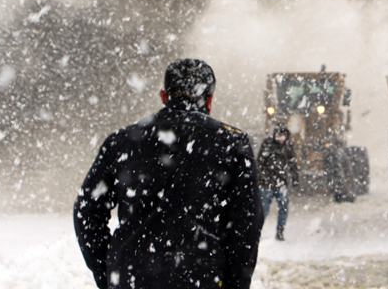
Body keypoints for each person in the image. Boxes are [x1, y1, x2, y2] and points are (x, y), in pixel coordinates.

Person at [74, 59, 263, 289]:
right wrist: (235, 282)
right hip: (202, 278)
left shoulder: (122, 141)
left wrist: (110, 272)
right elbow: (247, 225)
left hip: (133, 278)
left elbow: (87, 211)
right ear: (209, 99)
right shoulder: (233, 144)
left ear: (163, 96)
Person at [256, 124, 299, 241]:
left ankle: (280, 231)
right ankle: (256, 231)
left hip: (281, 184)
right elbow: (259, 163)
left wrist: (295, 178)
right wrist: (260, 177)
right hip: (266, 184)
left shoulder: (288, 147)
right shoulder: (268, 145)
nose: (281, 138)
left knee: (283, 208)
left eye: (283, 136)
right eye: (279, 135)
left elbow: (292, 164)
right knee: (263, 210)